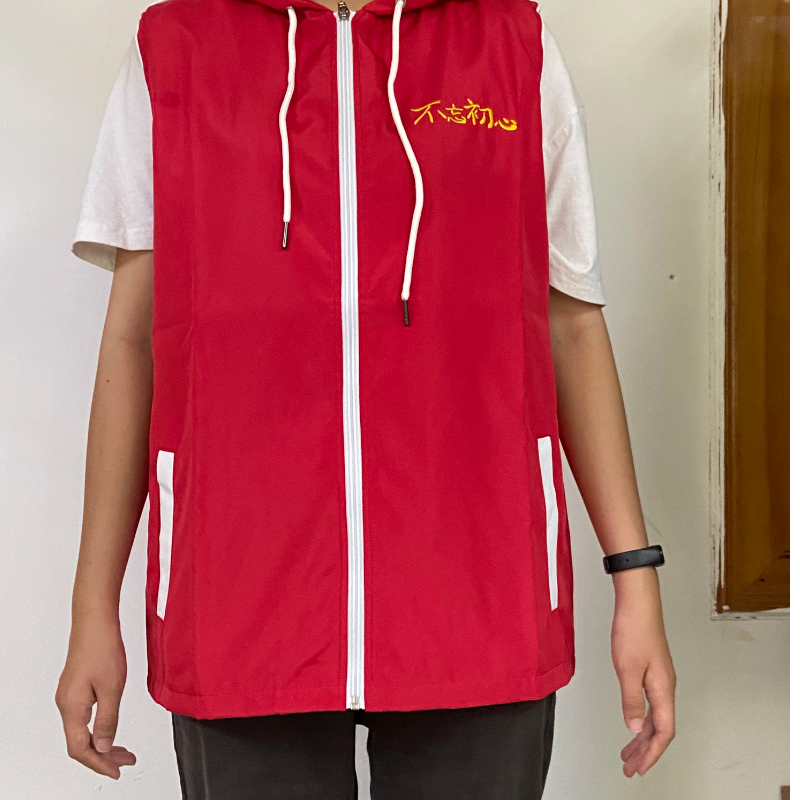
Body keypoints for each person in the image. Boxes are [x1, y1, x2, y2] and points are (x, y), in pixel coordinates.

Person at [57, 0, 677, 796]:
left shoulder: (510, 43)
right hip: (238, 599)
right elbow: (132, 339)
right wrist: (92, 608)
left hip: (480, 592)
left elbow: (571, 324)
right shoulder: (176, 47)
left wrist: (635, 576)